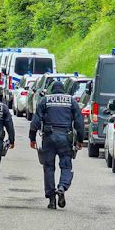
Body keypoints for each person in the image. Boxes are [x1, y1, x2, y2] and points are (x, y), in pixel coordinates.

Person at [29, 81, 85, 209]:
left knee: (48, 167)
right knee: (66, 165)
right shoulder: (71, 101)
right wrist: (80, 140)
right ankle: (62, 187)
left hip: (48, 137)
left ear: (52, 90)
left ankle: (51, 199)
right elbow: (79, 122)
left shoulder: (45, 100)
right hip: (65, 137)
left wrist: (32, 138)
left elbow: (36, 121)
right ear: (63, 90)